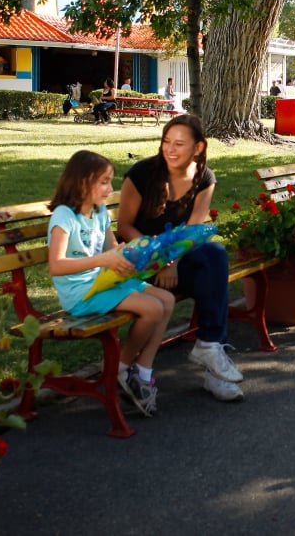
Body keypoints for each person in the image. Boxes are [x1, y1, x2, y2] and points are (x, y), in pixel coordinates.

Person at [117, 114, 246, 402]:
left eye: (179, 144)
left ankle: (210, 349)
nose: (170, 149)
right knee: (212, 278)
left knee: (213, 255)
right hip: (140, 262)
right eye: (166, 142)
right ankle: (213, 358)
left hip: (173, 263)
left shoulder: (204, 178)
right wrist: (161, 259)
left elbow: (192, 233)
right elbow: (124, 226)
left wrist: (172, 262)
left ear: (198, 147)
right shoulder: (142, 173)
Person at [47, 150, 175, 417]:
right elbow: (56, 265)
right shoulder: (64, 216)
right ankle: (120, 368)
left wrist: (144, 252)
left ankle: (143, 372)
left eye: (110, 181)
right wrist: (103, 260)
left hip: (104, 281)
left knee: (167, 300)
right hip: (80, 292)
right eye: (104, 182)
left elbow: (114, 249)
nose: (110, 188)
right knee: (152, 308)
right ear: (83, 182)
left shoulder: (100, 212)